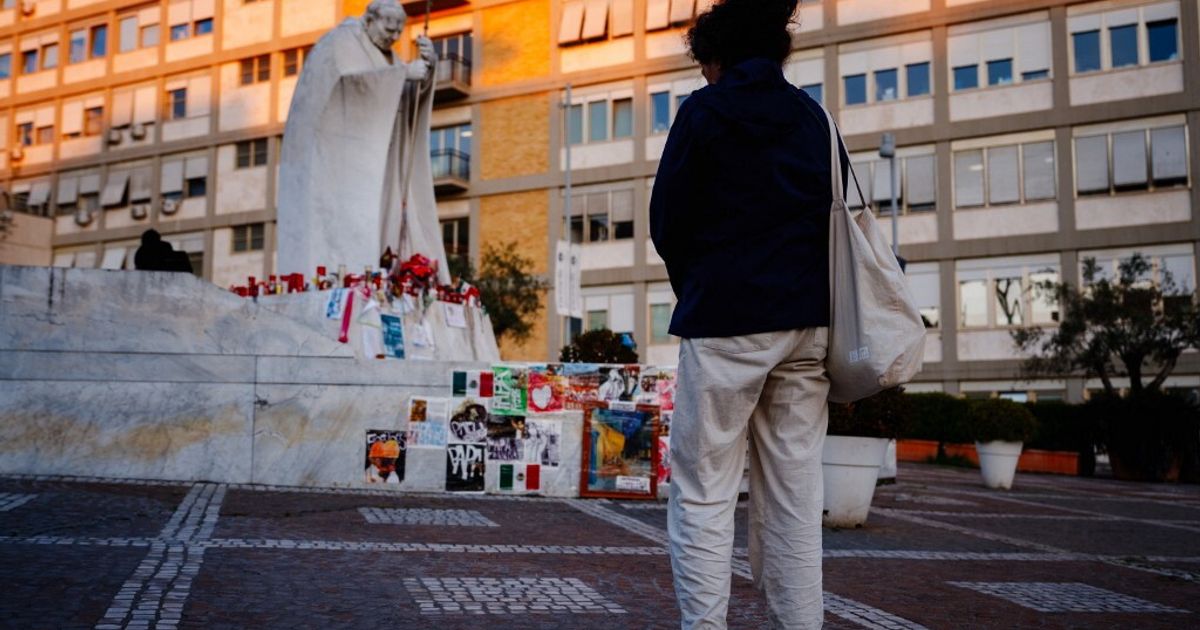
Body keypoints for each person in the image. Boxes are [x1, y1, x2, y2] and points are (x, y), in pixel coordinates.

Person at [649, 1, 849, 628]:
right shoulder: (813, 116)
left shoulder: (704, 111)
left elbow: (667, 222)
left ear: (717, 58)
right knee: (795, 495)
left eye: (703, 64)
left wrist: (701, 286)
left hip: (726, 322)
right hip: (807, 325)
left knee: (705, 493)